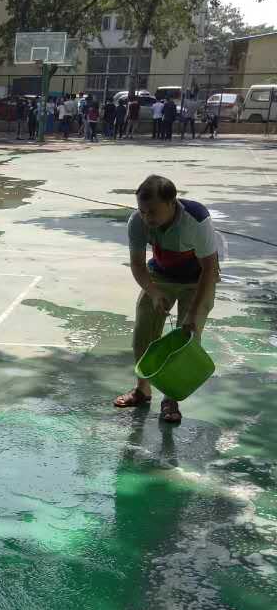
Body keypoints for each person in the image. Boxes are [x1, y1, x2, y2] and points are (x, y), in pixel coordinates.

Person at [113, 174, 219, 425]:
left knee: (185, 338)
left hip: (198, 280)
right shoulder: (137, 222)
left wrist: (193, 313)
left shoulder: (196, 219)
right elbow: (138, 265)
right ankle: (142, 390)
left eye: (153, 211)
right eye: (142, 211)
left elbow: (209, 269)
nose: (147, 217)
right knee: (143, 330)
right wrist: (153, 292)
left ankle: (171, 400)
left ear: (172, 203)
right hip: (160, 275)